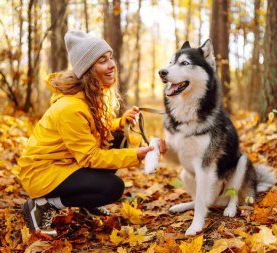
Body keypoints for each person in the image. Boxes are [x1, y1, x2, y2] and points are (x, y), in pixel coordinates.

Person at [18, 30, 166, 237]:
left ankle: (87, 203)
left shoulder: (94, 93)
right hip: (43, 171)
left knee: (118, 137)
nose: (111, 64)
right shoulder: (70, 107)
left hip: (66, 162)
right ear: (88, 69)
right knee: (112, 188)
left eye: (110, 57)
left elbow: (95, 131)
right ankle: (44, 204)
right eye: (102, 61)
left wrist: (120, 122)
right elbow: (90, 156)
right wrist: (135, 155)